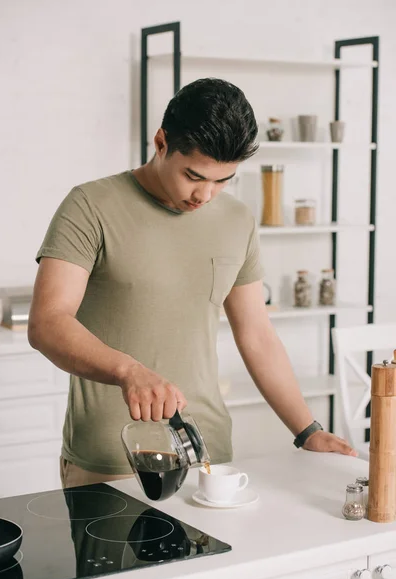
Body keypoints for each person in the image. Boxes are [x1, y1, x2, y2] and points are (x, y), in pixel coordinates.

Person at [28, 78, 357, 489]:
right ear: (161, 142)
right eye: (194, 175)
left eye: (223, 180)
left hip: (209, 456)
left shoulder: (237, 220)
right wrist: (127, 370)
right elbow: (47, 323)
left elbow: (257, 335)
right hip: (111, 459)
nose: (206, 194)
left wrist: (308, 431)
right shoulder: (90, 206)